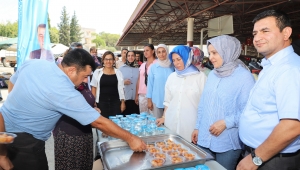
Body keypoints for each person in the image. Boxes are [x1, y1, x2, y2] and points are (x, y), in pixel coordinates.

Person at [0, 48, 146, 170]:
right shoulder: (64, 90)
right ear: (71, 70)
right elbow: (99, 122)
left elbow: (13, 81)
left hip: (4, 130)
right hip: (25, 143)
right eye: (84, 76)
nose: (85, 81)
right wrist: (131, 138)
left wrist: (17, 106)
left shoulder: (34, 64)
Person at [237, 10, 300, 170]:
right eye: (255, 33)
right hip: (260, 154)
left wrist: (256, 159)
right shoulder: (271, 66)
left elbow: (293, 125)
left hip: (271, 159)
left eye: (265, 31)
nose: (257, 38)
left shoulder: (290, 69)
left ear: (286, 33)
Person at [191, 35, 255, 170]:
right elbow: (203, 103)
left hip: (227, 142)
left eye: (215, 53)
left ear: (227, 51)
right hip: (204, 137)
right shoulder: (213, 74)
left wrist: (226, 122)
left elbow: (249, 111)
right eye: (209, 53)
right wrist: (197, 127)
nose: (211, 57)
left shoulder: (244, 77)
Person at [156, 45, 207, 141]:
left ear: (187, 58)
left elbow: (205, 105)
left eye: (179, 59)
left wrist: (199, 127)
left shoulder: (201, 77)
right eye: (174, 60)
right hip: (171, 124)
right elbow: (168, 102)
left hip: (190, 127)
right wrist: (164, 117)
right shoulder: (172, 77)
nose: (176, 63)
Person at [53, 81, 99, 170]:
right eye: (85, 76)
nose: (86, 80)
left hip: (85, 134)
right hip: (70, 138)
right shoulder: (65, 87)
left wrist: (93, 109)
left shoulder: (83, 84)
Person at [90, 51, 126, 118]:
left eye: (110, 59)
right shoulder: (97, 72)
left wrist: (123, 102)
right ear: (103, 60)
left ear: (113, 61)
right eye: (106, 59)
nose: (108, 61)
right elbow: (94, 88)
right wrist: (93, 102)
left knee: (116, 124)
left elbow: (122, 89)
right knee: (103, 125)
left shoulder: (118, 73)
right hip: (101, 103)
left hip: (116, 103)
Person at [146, 44, 174, 118]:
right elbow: (150, 85)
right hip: (157, 100)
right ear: (156, 54)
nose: (161, 54)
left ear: (167, 52)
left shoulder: (173, 66)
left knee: (169, 124)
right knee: (157, 124)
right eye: (159, 52)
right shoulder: (153, 67)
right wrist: (149, 101)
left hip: (171, 100)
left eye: (163, 51)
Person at [135, 44, 157, 113]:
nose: (145, 52)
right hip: (142, 94)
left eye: (147, 50)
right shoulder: (142, 65)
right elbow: (139, 80)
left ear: (153, 51)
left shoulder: (157, 64)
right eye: (144, 51)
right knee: (143, 117)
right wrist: (136, 95)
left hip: (154, 94)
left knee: (153, 118)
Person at [119, 51, 140, 115]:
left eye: (132, 55)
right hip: (125, 98)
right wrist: (123, 82)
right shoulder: (121, 68)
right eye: (129, 56)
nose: (130, 57)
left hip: (135, 98)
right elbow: (117, 82)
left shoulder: (139, 68)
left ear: (135, 57)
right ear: (126, 57)